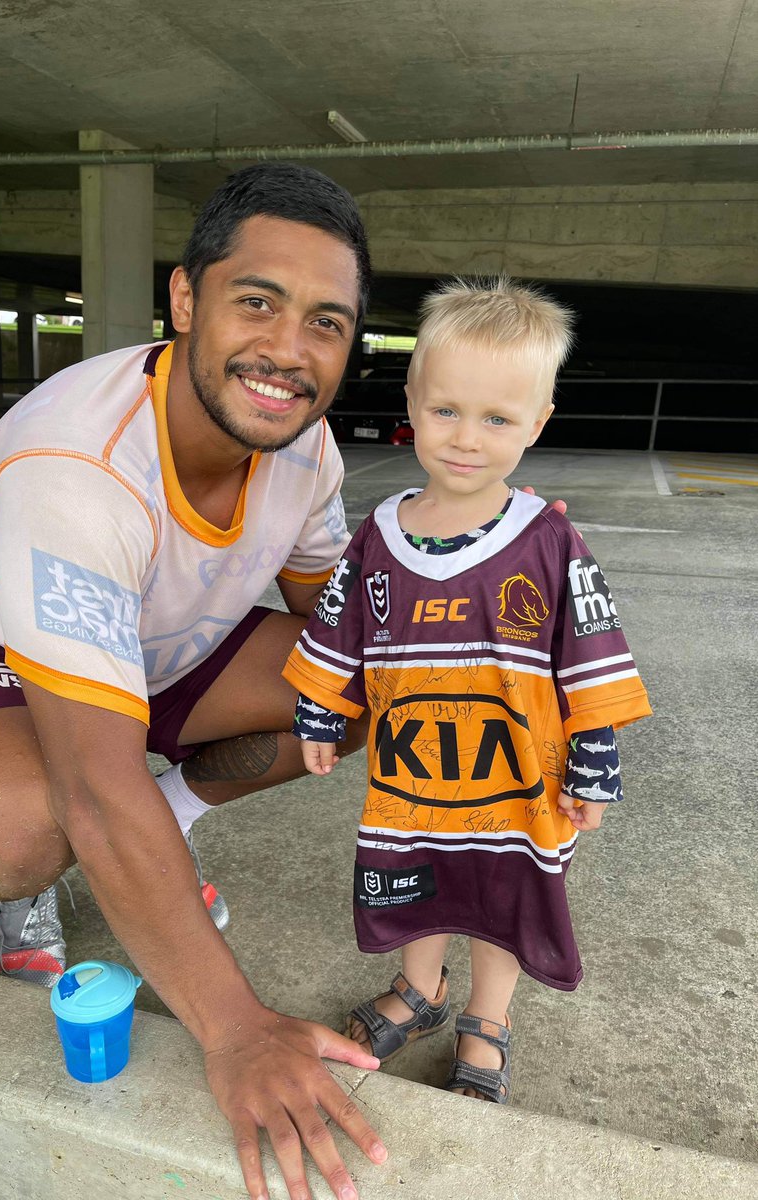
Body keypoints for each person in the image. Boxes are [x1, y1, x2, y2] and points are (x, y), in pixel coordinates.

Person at [0, 162, 389, 1200]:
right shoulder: (77, 467)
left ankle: (166, 820)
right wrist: (235, 1029)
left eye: (326, 323)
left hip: (156, 643)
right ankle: (42, 891)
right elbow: (91, 782)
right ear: (186, 298)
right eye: (259, 301)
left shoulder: (307, 446)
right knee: (32, 831)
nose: (289, 351)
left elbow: (330, 622)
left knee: (366, 684)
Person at [284, 277, 652, 1105]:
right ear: (412, 399)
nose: (466, 439)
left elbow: (589, 656)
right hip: (411, 781)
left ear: (537, 423)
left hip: (520, 782)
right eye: (446, 410)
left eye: (498, 419)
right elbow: (339, 631)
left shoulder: (549, 539)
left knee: (503, 893)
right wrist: (319, 707)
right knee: (418, 882)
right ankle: (420, 992)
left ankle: (488, 1016)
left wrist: (593, 759)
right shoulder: (377, 535)